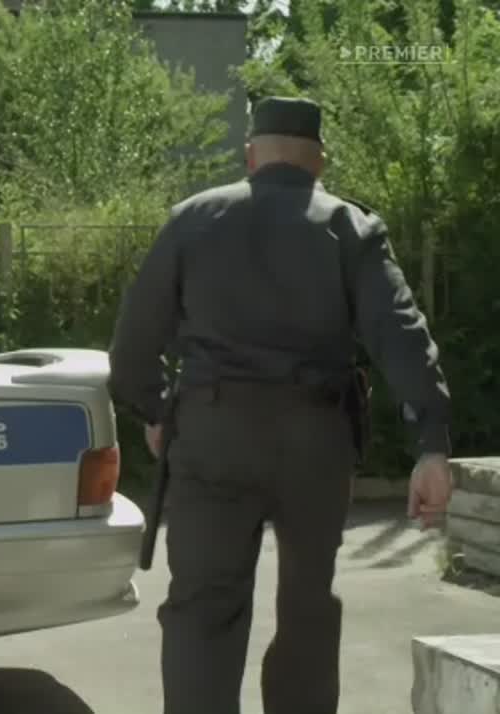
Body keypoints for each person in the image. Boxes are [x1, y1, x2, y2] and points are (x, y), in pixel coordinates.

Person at [106, 95, 454, 714]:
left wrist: (157, 410)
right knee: (308, 608)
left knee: (202, 611)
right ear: (319, 162)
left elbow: (132, 347)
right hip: (314, 442)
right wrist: (431, 443)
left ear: (250, 157)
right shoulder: (350, 228)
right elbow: (401, 334)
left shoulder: (193, 219)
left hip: (212, 436)